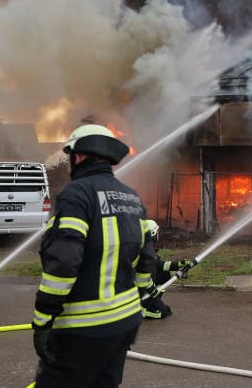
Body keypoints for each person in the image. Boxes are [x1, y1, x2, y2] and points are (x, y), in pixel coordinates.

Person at [31, 124, 159, 388]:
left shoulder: (76, 194)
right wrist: (143, 294)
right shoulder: (131, 197)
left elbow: (64, 262)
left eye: (69, 157)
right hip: (126, 322)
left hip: (83, 329)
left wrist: (43, 319)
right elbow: (147, 261)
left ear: (78, 156)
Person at [139, 219, 193, 320]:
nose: (159, 234)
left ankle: (150, 304)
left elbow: (160, 265)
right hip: (141, 292)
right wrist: (154, 292)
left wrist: (178, 265)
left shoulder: (147, 248)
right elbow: (142, 279)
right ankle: (141, 311)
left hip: (145, 289)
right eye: (157, 232)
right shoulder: (145, 253)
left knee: (165, 275)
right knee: (163, 313)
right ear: (153, 234)